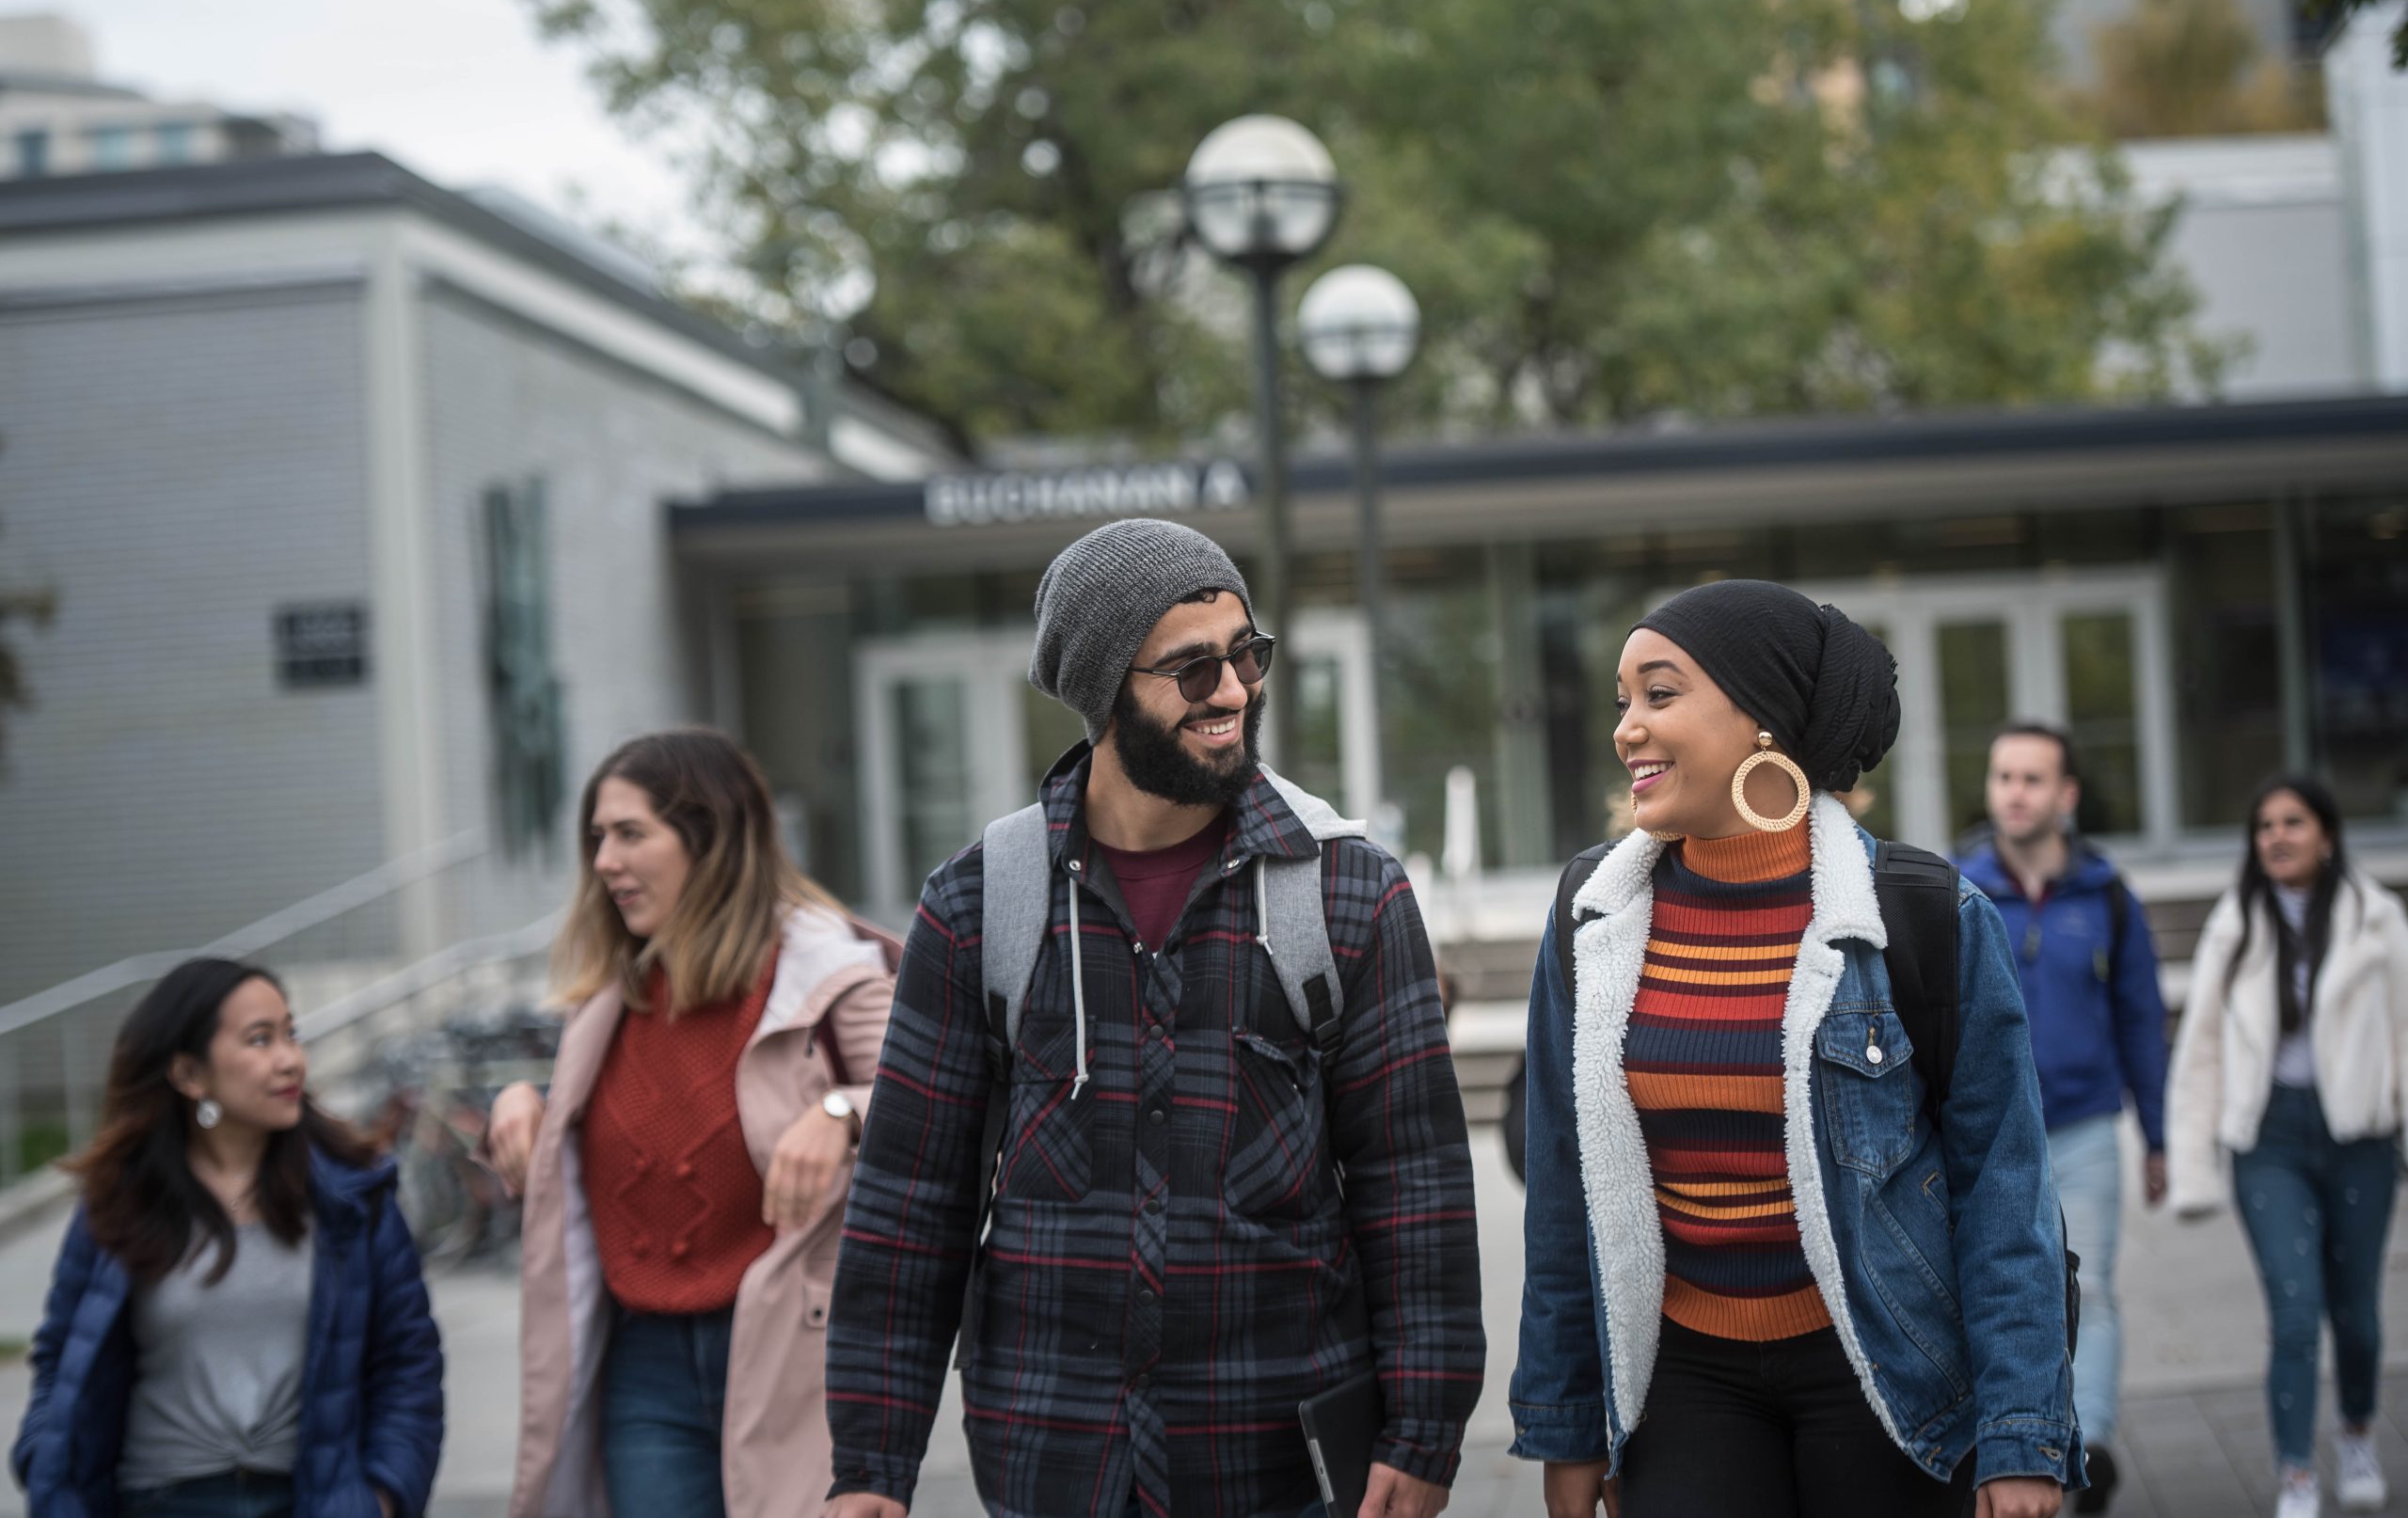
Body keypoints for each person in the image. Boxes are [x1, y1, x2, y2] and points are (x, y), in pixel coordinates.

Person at [820, 518, 1483, 1518]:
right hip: (1054, 1452)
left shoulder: (1348, 892)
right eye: (1190, 668)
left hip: (1278, 1455)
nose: (1232, 691)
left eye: (1244, 654)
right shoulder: (978, 903)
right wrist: (872, 1461)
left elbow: (1414, 1186)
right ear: (1103, 690)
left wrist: (1425, 1426)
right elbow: (913, 1201)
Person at [1513, 579, 2078, 1518]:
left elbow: (2003, 1188)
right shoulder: (1593, 915)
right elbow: (1564, 1188)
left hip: (1889, 1366)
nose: (1627, 728)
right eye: (1623, 701)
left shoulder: (1926, 913)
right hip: (1682, 1379)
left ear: (1761, 721)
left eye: (1660, 693)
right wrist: (1567, 1420)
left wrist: (2022, 1431)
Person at [483, 728, 898, 1518]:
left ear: (709, 839)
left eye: (631, 833)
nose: (604, 860)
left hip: (797, 1354)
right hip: (643, 1364)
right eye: (597, 837)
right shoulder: (609, 1001)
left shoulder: (832, 976)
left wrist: (843, 1109)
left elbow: (933, 1112)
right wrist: (522, 1101)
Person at [12, 957, 444, 1518]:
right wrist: (46, 1465)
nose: (290, 1059)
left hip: (310, 1501)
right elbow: (60, 1360)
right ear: (190, 1075)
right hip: (155, 1500)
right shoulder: (119, 1200)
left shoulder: (353, 1199)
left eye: (292, 1034)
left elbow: (408, 1364)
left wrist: (383, 1496)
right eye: (260, 1040)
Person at [2167, 775, 2408, 1518]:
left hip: (2360, 1136)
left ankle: (2359, 1433)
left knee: (2358, 1316)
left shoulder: (2379, 920)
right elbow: (2201, 1045)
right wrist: (2193, 1158)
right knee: (2296, 1309)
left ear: (2327, 835)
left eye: (2293, 822)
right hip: (2268, 1139)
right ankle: (2297, 1471)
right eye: (2264, 824)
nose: (2276, 835)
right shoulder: (2237, 924)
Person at [1957, 722, 2167, 1514]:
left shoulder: (2106, 895)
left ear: (2066, 795)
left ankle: (2089, 1451)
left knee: (2093, 1289)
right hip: (1983, 1133)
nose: (2014, 791)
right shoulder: (1955, 888)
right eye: (2003, 775)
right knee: (2001, 1292)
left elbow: (2142, 1018)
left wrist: (2158, 1135)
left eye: (2032, 778)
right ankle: (2005, 1444)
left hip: (2082, 1127)